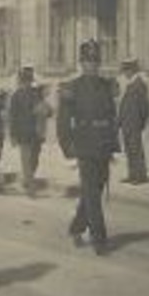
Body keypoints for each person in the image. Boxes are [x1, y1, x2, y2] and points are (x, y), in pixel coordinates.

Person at [57, 39, 118, 254]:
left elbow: (111, 117)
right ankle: (99, 238)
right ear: (81, 63)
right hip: (84, 145)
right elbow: (63, 121)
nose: (92, 65)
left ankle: (77, 225)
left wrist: (113, 146)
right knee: (92, 192)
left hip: (102, 145)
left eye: (95, 61)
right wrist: (67, 147)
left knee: (94, 190)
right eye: (88, 61)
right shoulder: (72, 88)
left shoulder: (106, 86)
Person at [7, 66, 52, 195]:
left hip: (35, 133)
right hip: (25, 133)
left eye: (28, 79)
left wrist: (46, 110)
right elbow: (13, 116)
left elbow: (47, 111)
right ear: (22, 81)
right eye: (24, 80)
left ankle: (28, 180)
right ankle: (30, 186)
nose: (26, 82)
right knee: (27, 159)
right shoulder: (17, 96)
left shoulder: (36, 94)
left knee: (33, 159)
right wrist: (13, 135)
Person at [116, 58, 149, 184]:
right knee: (129, 149)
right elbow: (124, 105)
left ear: (132, 70)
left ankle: (140, 176)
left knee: (136, 149)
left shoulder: (139, 84)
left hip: (134, 123)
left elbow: (144, 107)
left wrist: (141, 123)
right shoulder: (131, 84)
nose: (125, 73)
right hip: (127, 123)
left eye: (126, 70)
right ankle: (132, 174)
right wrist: (119, 121)